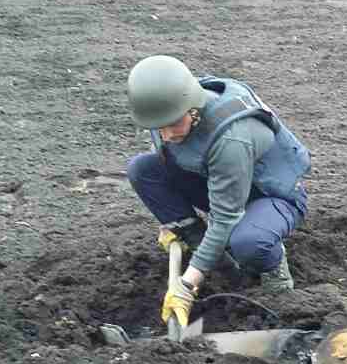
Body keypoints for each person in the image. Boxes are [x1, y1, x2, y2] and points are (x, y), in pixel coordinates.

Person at [125, 54, 310, 329]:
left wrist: (186, 286)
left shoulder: (231, 136)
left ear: (193, 109)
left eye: (173, 124)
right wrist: (172, 223)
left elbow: (225, 218)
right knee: (143, 169)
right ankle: (206, 249)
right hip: (219, 181)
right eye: (158, 127)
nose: (166, 135)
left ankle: (275, 272)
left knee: (248, 242)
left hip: (270, 195)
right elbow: (170, 158)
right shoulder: (169, 109)